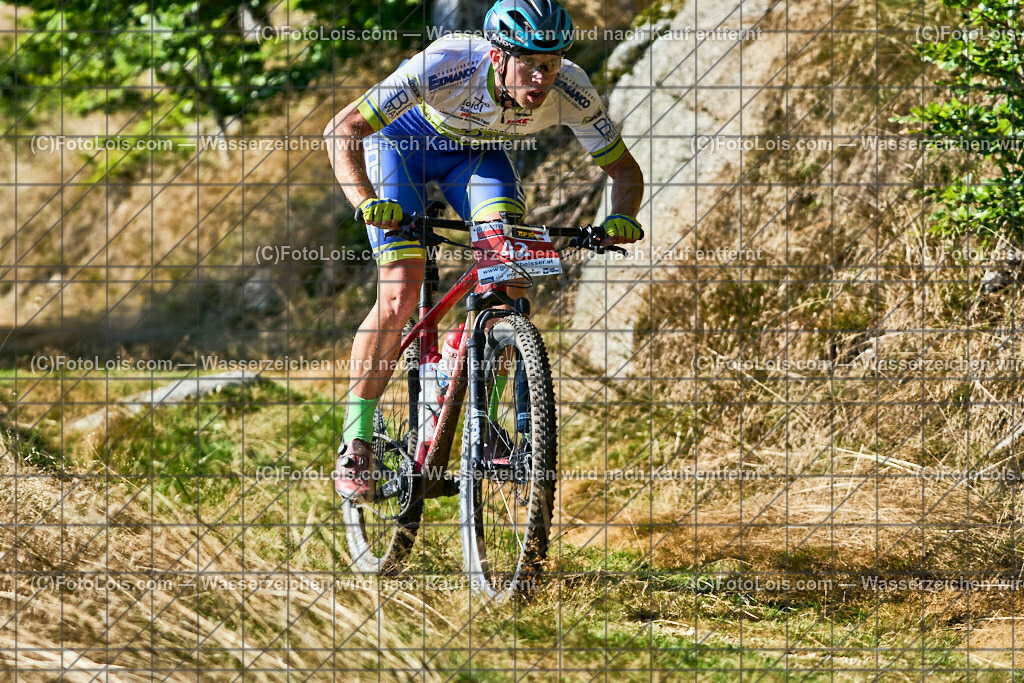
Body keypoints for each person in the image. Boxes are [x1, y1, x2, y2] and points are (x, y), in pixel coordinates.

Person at [324, 0, 644, 503]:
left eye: (552, 63)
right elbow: (342, 129)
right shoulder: (449, 60)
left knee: (508, 274)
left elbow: (624, 171)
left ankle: (472, 389)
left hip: (475, 158)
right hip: (399, 149)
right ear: (498, 57)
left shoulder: (572, 88)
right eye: (530, 64)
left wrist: (620, 218)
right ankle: (355, 439)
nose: (542, 79)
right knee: (400, 293)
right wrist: (366, 201)